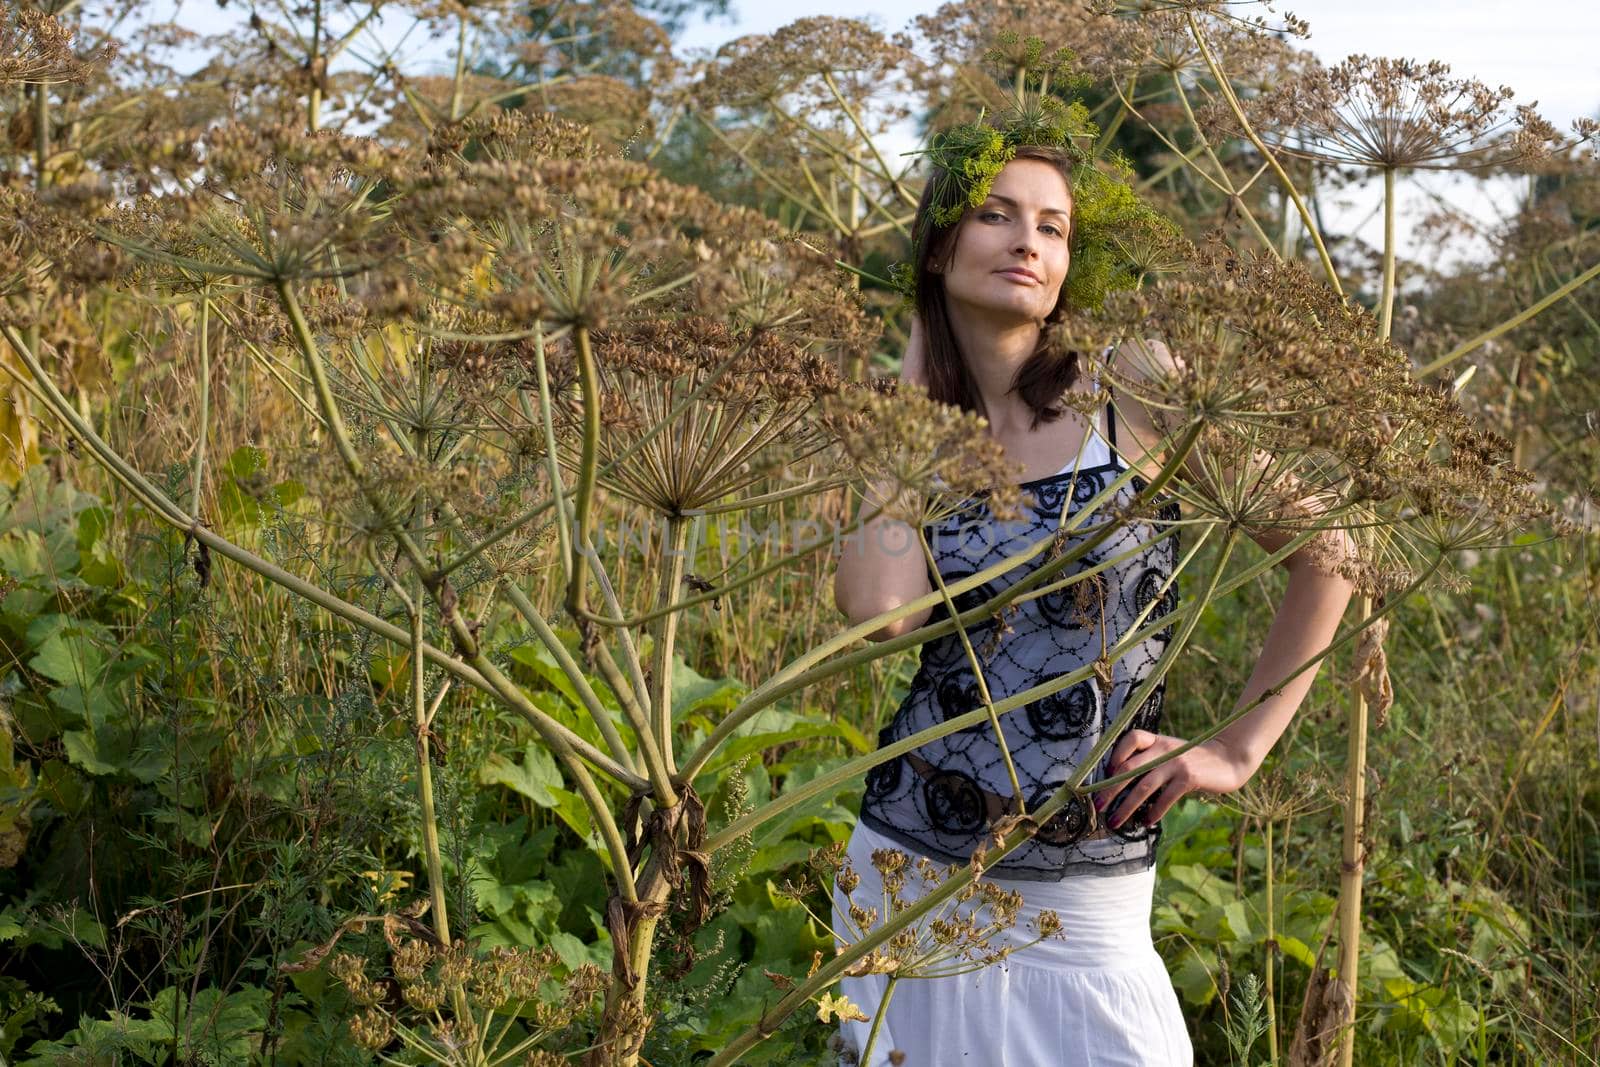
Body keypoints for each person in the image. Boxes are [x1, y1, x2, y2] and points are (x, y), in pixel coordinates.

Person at [829, 140, 1356, 1065]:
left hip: (1086, 901)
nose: (1027, 240)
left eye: (1053, 225)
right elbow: (882, 616)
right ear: (939, 244)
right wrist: (908, 399)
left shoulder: (1131, 387)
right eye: (996, 213)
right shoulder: (916, 433)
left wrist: (1236, 747)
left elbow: (1331, 553)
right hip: (902, 881)